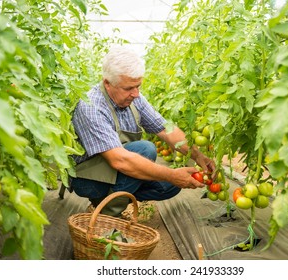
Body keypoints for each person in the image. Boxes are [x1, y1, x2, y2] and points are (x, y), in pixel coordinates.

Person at [70, 45, 216, 216]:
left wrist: (198, 156)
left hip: (118, 171)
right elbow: (120, 161)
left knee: (169, 186)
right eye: (128, 88)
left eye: (138, 86)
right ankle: (107, 216)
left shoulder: (134, 98)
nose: (136, 93)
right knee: (145, 149)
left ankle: (115, 196)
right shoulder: (91, 106)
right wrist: (170, 174)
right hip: (88, 178)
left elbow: (165, 129)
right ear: (107, 83)